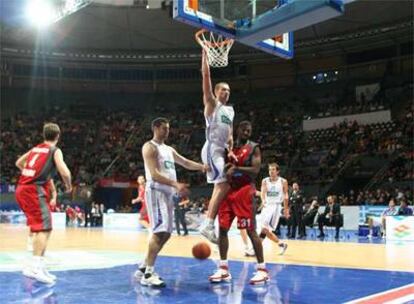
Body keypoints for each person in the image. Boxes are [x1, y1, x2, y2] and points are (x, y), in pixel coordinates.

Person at [136, 117, 208, 288]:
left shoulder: (168, 149)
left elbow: (184, 162)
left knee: (167, 233)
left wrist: (202, 167)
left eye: (168, 129)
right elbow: (153, 175)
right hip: (156, 192)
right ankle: (148, 274)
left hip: (167, 194)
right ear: (155, 128)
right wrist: (176, 184)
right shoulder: (149, 147)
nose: (167, 131)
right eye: (164, 128)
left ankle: (144, 264)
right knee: (159, 231)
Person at [209, 121, 269, 285]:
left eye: (249, 130)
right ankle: (223, 269)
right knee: (222, 229)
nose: (247, 132)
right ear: (237, 130)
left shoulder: (253, 147)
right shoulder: (228, 148)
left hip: (244, 191)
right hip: (228, 191)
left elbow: (255, 171)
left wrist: (236, 168)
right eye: (244, 130)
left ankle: (262, 270)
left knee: (251, 231)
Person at [15, 123, 72, 284]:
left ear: (44, 135)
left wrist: (29, 173)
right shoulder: (55, 150)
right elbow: (64, 171)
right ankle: (36, 267)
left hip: (22, 188)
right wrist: (68, 185)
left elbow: (19, 163)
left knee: (38, 228)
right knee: (44, 228)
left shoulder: (36, 149)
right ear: (58, 136)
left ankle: (33, 266)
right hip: (33, 190)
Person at [199, 49, 236, 244]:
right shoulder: (212, 104)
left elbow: (229, 130)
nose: (226, 93)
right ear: (216, 91)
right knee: (225, 183)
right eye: (223, 90)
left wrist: (231, 143)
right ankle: (207, 224)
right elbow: (206, 76)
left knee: (219, 186)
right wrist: (205, 58)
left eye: (229, 91)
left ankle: (207, 224)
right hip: (212, 148)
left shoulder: (230, 111)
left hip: (222, 149)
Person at [258, 163, 289, 255]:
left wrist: (286, 209)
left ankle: (256, 248)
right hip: (267, 206)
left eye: (273, 170)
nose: (271, 171)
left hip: (276, 206)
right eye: (270, 170)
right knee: (264, 229)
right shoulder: (265, 181)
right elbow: (262, 192)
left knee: (265, 229)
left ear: (277, 171)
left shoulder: (283, 181)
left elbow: (286, 195)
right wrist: (263, 201)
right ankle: (281, 244)